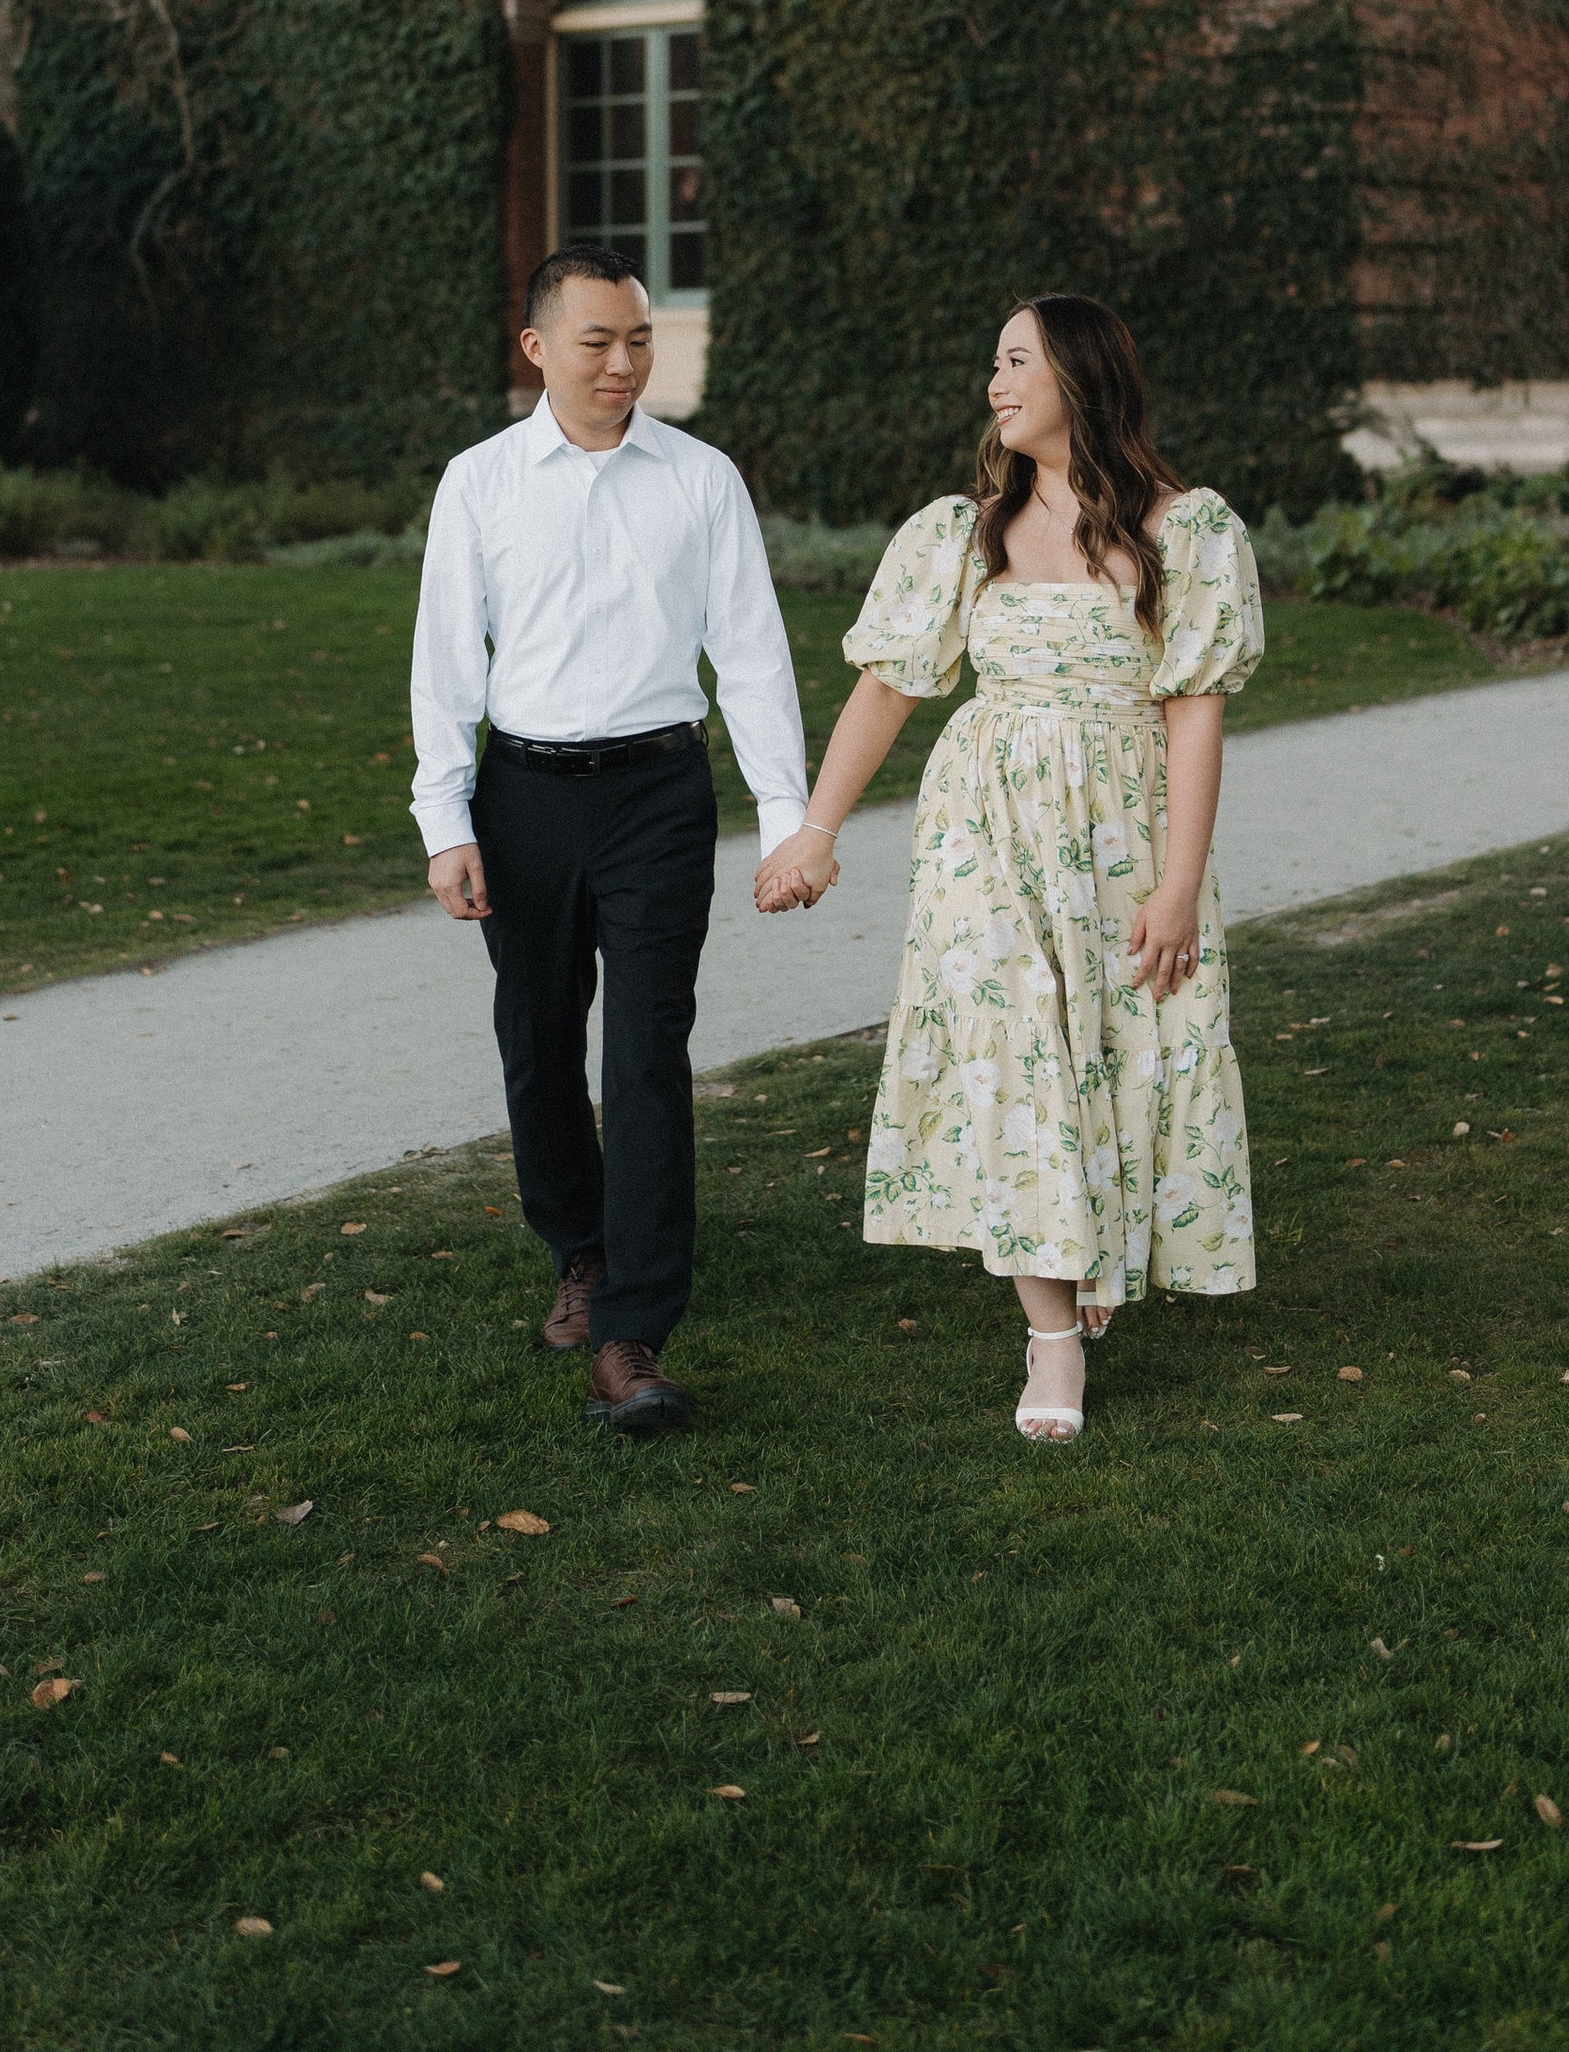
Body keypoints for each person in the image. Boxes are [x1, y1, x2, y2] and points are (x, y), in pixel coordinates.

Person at [754, 292, 1261, 1442]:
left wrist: (1179, 883)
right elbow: (887, 686)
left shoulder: (1185, 532)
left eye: (1017, 361)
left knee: (1120, 1048)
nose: (995, 383)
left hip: (1123, 831)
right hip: (982, 826)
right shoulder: (961, 533)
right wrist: (816, 832)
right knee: (1014, 1049)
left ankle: (1091, 1247)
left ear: (1079, 377)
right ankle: (1051, 1338)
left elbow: (1193, 711)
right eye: (993, 361)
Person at [412, 246, 809, 1434]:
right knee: (537, 1041)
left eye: (639, 338)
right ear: (538, 348)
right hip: (523, 798)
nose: (624, 362)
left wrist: (785, 819)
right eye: (598, 341)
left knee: (644, 1051)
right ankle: (578, 1252)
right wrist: (445, 821)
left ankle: (632, 1330)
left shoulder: (701, 479)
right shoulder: (480, 483)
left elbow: (751, 655)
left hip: (657, 796)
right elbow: (446, 663)